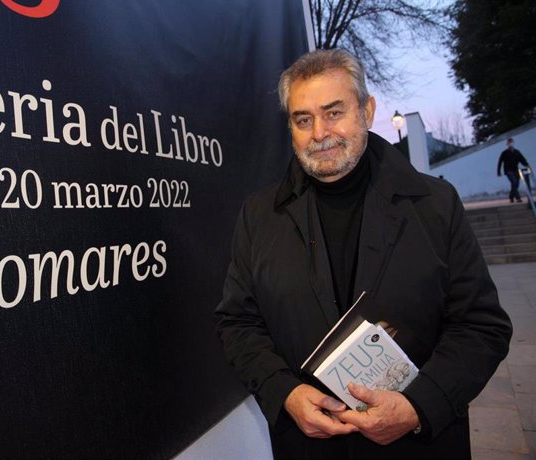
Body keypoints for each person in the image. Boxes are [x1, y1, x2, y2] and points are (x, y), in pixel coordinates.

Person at [215, 49, 512, 459]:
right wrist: (284, 392)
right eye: (303, 119)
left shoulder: (435, 204)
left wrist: (418, 406)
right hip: (310, 448)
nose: (319, 132)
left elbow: (482, 327)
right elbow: (237, 323)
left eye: (334, 112)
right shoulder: (259, 216)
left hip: (420, 446)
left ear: (367, 111)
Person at [497, 138, 531, 203]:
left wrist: (527, 165)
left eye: (511, 142)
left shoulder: (517, 152)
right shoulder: (504, 153)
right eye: (509, 142)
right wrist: (499, 171)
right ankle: (518, 198)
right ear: (507, 144)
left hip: (516, 170)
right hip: (508, 171)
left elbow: (522, 160)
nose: (510, 144)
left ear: (513, 143)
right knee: (514, 182)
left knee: (516, 184)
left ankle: (511, 196)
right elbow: (500, 162)